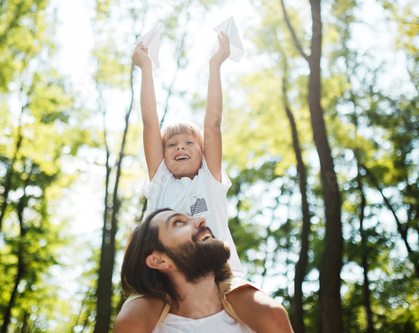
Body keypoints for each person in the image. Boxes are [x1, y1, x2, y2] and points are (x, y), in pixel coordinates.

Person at [114, 32, 289, 332]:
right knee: (129, 319)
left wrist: (215, 64)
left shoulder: (210, 180)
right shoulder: (160, 181)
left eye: (188, 143)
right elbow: (149, 121)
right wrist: (145, 68)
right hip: (165, 279)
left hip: (222, 274)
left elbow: (213, 123)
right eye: (171, 145)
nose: (180, 148)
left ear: (204, 151)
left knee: (271, 313)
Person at [116, 208, 294, 332]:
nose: (200, 220)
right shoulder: (141, 323)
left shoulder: (260, 317)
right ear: (159, 260)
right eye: (178, 222)